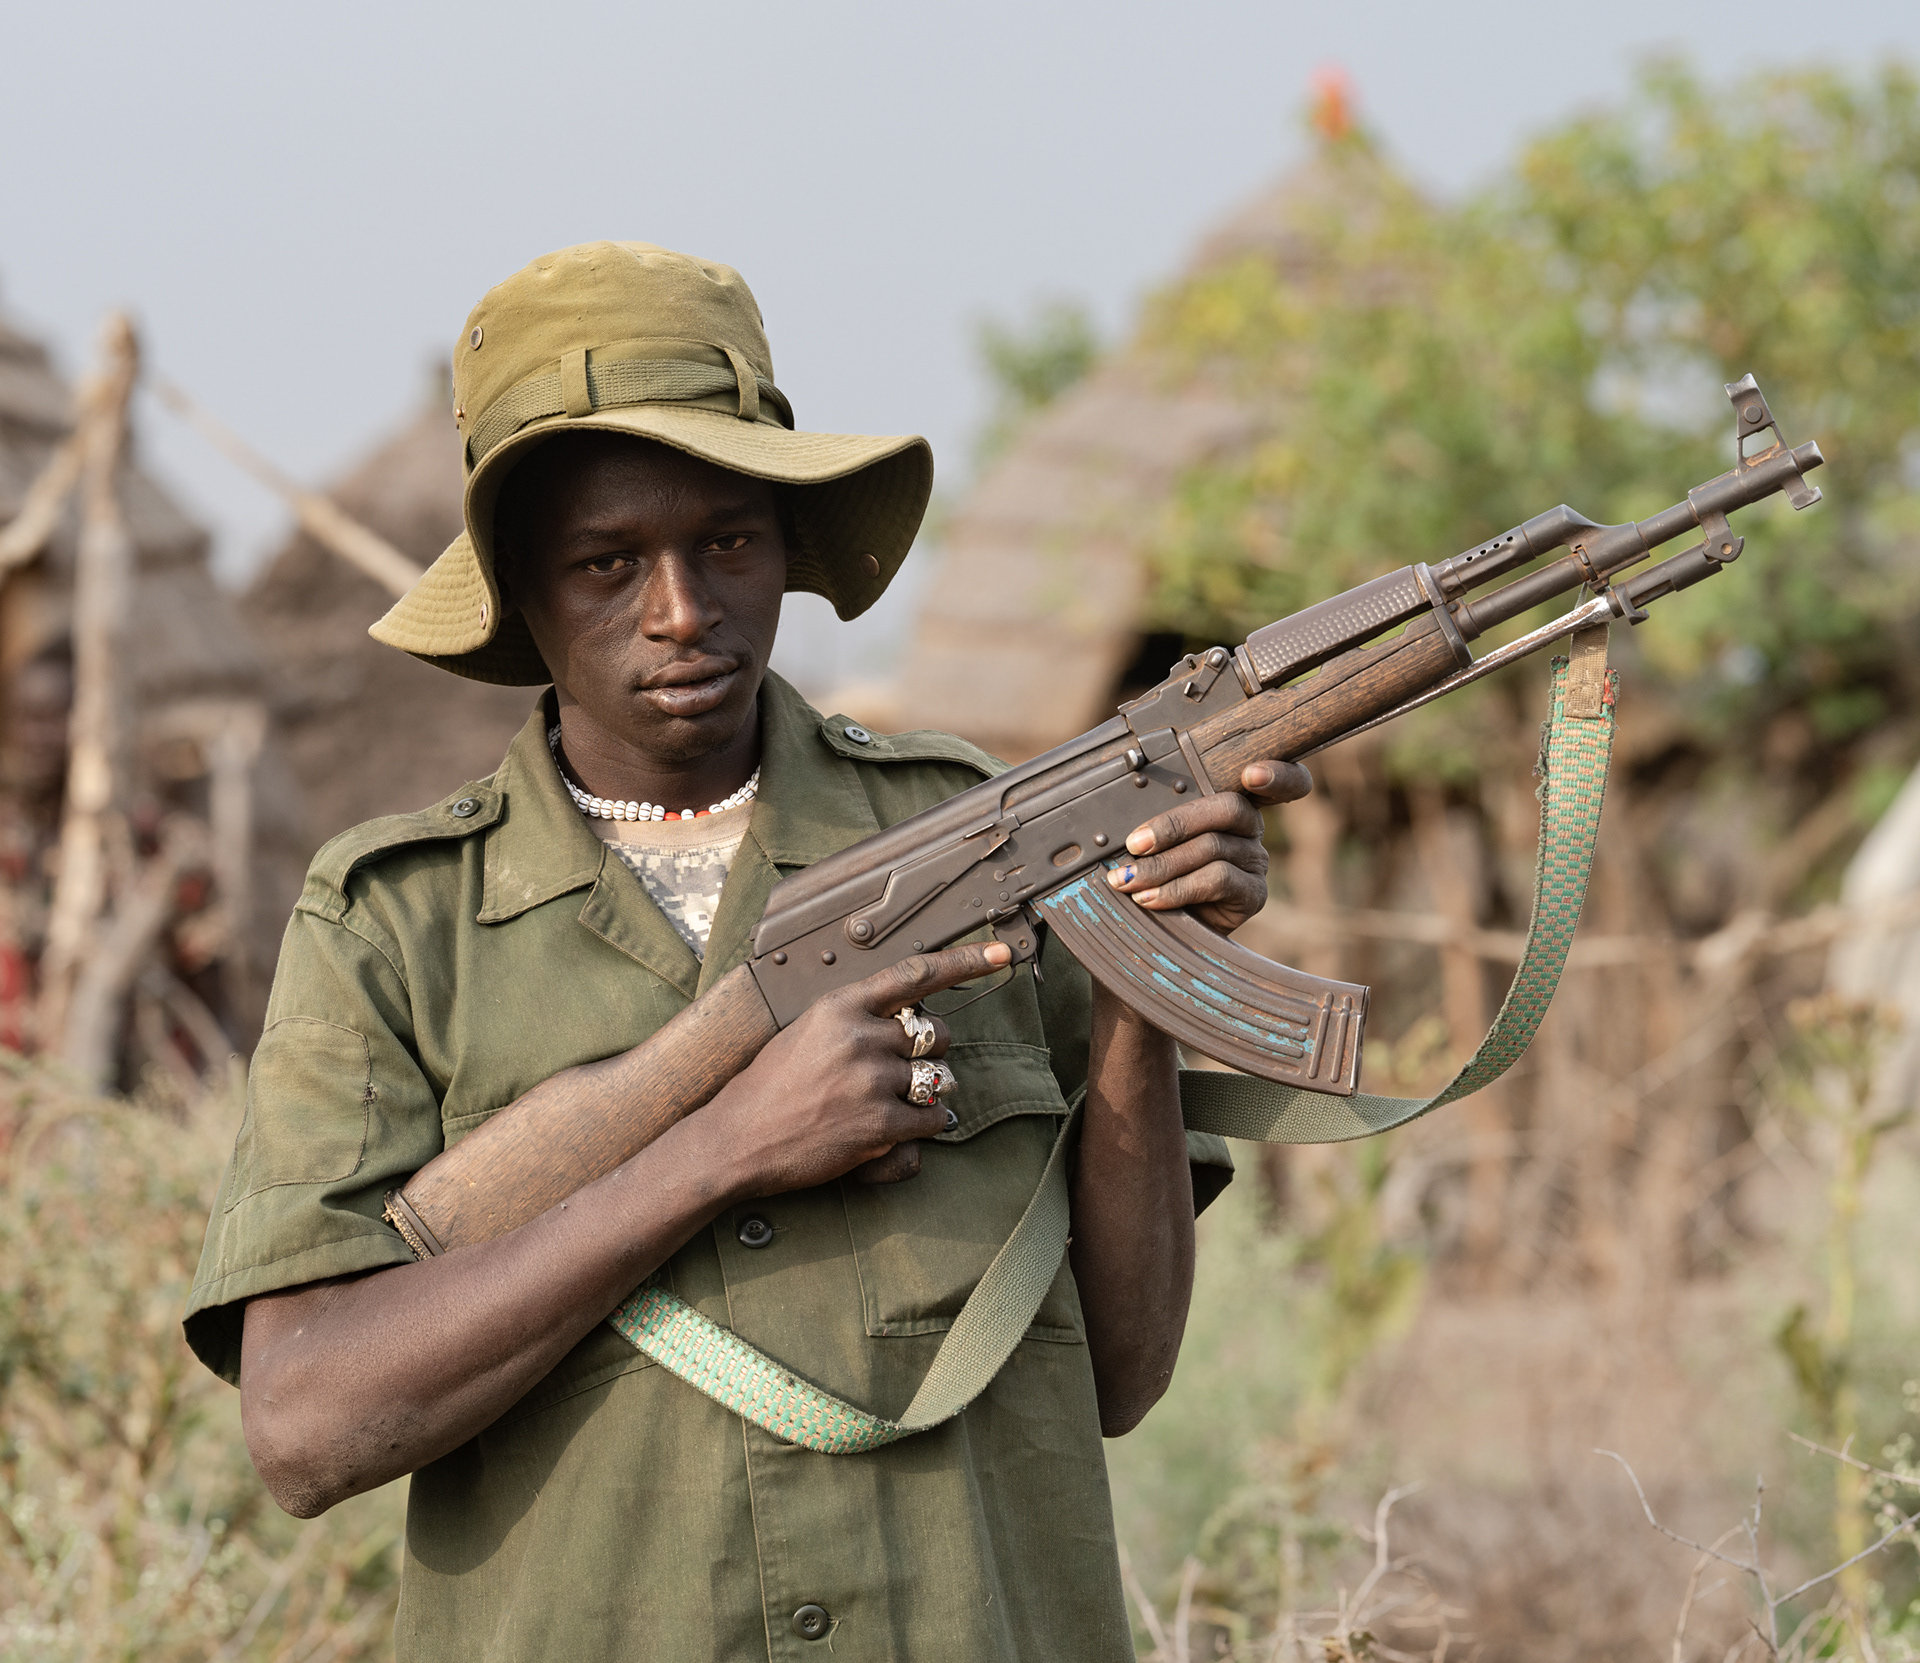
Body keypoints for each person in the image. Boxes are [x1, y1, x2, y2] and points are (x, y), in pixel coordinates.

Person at [183, 242, 1308, 1663]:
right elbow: (303, 1430)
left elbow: (1123, 1374)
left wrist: (1148, 984)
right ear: (523, 593)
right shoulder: (394, 922)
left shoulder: (982, 834)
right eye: (608, 562)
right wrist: (720, 1148)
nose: (680, 610)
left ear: (785, 545)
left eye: (726, 543)